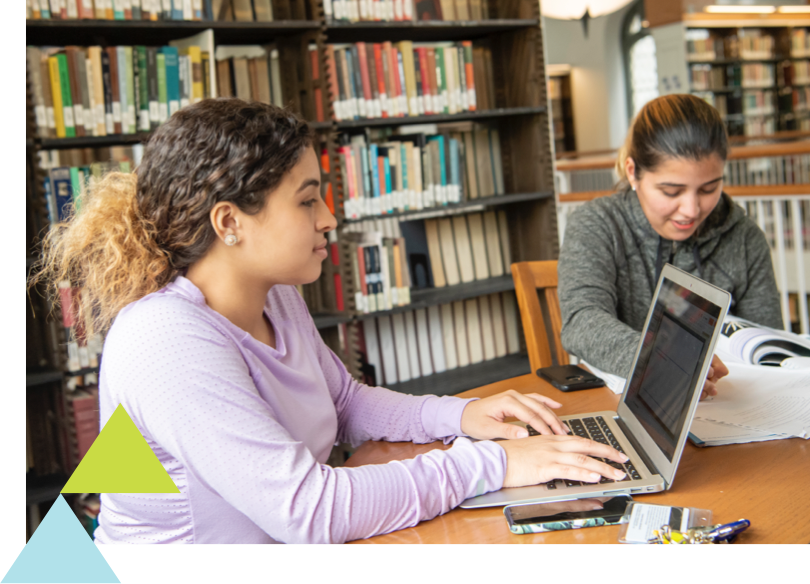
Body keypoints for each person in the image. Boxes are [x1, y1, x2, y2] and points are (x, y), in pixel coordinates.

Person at [31, 99, 628, 545]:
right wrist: (491, 463)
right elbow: (308, 511)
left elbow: (344, 403)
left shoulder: (274, 294)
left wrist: (464, 416)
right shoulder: (165, 340)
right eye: (308, 199)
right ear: (229, 222)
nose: (330, 218)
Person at [558, 94, 782, 399]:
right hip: (618, 405)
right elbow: (581, 321)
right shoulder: (597, 224)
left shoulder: (744, 237)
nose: (691, 209)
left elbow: (765, 345)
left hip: (724, 407)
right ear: (633, 172)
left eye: (709, 188)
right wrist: (663, 361)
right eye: (671, 191)